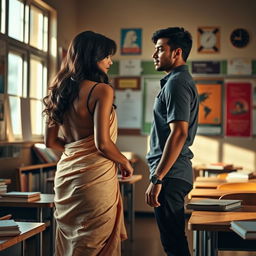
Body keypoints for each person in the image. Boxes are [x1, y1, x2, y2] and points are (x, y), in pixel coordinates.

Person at [43, 31, 134, 256]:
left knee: (71, 243)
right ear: (93, 56)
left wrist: (77, 150)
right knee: (95, 245)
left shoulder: (57, 90)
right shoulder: (101, 90)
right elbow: (102, 143)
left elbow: (50, 141)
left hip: (66, 177)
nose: (110, 61)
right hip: (95, 180)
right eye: (107, 56)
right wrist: (124, 162)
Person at [145, 27, 199, 256]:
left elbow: (179, 134)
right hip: (173, 173)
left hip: (170, 175)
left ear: (176, 53)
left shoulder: (177, 83)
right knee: (173, 240)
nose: (154, 55)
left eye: (159, 49)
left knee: (174, 243)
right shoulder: (174, 81)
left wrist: (158, 177)